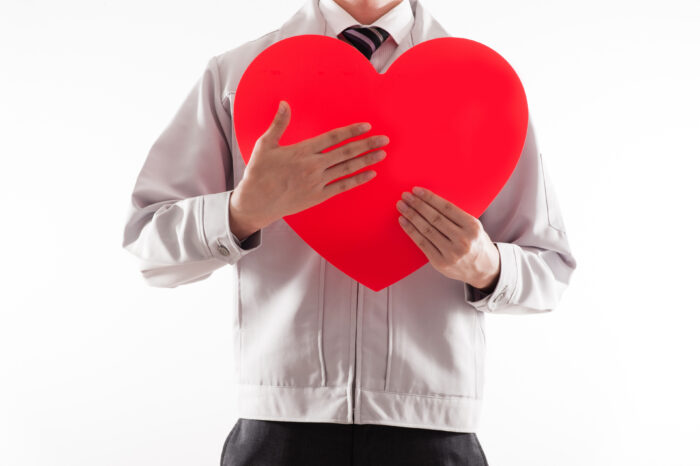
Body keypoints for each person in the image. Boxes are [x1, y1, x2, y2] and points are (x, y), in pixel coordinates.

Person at [121, 0, 577, 464]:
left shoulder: (483, 85)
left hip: (434, 431)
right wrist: (240, 213)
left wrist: (486, 266)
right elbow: (147, 246)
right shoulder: (236, 77)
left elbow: (550, 269)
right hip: (278, 430)